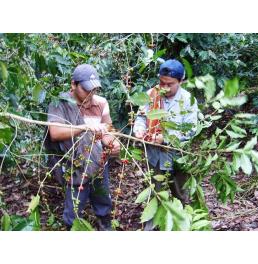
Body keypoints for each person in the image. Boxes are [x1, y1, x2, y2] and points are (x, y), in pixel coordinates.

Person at [46, 64, 120, 231]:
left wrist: (112, 142)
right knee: (73, 207)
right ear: (73, 84)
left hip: (98, 162)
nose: (91, 94)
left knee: (103, 201)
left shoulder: (101, 103)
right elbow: (55, 132)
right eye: (86, 90)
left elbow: (109, 129)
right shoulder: (61, 103)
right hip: (75, 164)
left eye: (94, 90)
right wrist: (84, 128)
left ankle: (104, 225)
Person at [133, 59, 198, 227]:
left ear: (181, 81)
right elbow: (140, 116)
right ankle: (153, 224)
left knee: (180, 193)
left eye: (170, 84)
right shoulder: (151, 95)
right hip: (155, 156)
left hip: (177, 157)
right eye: (162, 83)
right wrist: (139, 129)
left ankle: (182, 223)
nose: (164, 88)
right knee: (156, 192)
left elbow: (190, 129)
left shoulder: (188, 100)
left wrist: (166, 138)